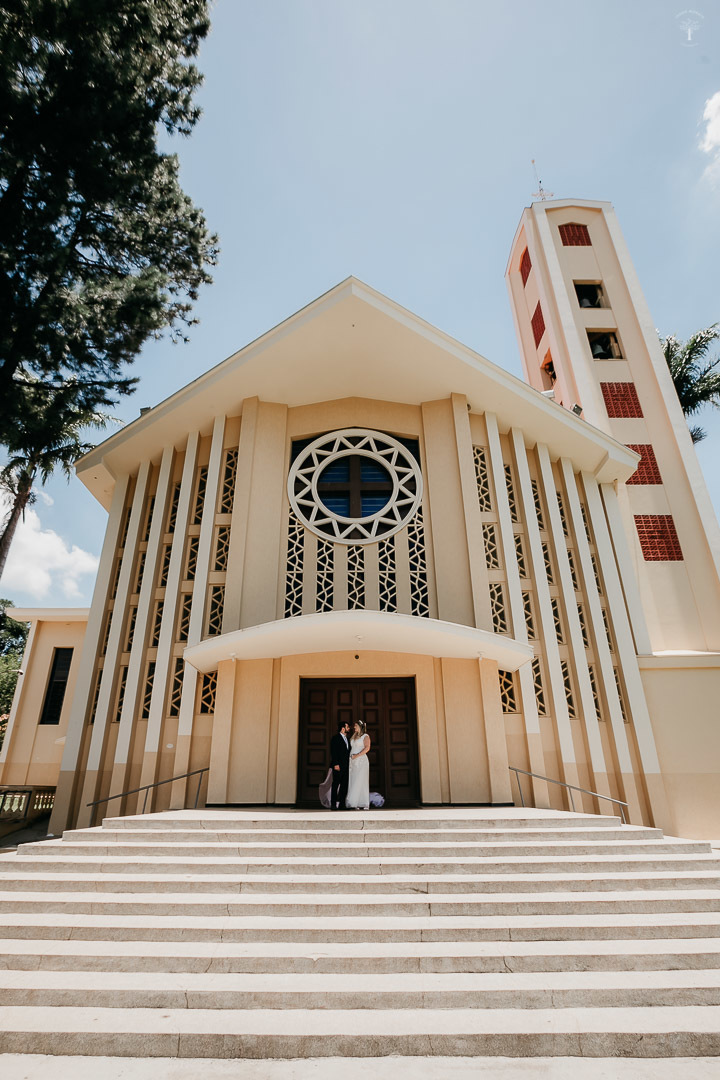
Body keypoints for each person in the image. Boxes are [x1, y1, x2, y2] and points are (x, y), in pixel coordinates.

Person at [346, 719, 371, 810]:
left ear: (360, 727)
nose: (354, 727)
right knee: (353, 780)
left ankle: (363, 803)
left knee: (360, 781)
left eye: (356, 726)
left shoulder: (365, 736)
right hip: (353, 762)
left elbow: (367, 748)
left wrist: (357, 755)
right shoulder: (354, 736)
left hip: (361, 761)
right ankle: (354, 802)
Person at [329, 719, 351, 811]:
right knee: (335, 785)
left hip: (346, 766)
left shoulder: (348, 739)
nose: (349, 728)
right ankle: (333, 805)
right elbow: (333, 752)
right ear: (343, 729)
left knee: (344, 786)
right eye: (347, 727)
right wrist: (336, 764)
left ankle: (342, 805)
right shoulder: (335, 738)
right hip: (338, 766)